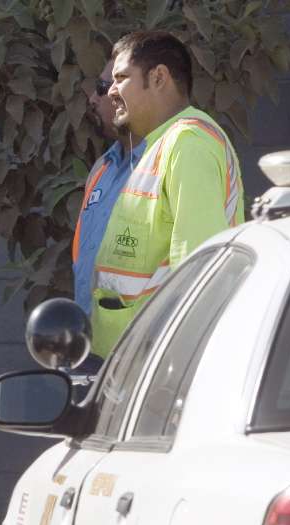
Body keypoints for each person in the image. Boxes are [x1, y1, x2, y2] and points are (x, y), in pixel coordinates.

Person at [91, 31, 244, 357]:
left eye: (121, 78)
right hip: (132, 357)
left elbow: (198, 270)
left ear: (158, 77)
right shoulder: (162, 144)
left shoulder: (189, 144)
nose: (112, 91)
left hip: (156, 359)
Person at [71, 58, 145, 373]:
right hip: (89, 349)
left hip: (142, 352)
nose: (93, 98)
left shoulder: (165, 165)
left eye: (102, 88)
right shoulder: (102, 168)